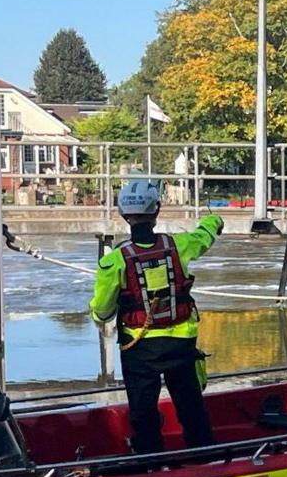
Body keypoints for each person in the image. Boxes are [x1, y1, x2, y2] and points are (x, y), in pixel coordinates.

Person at [91, 179, 225, 454]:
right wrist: (214, 220)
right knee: (190, 404)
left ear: (123, 213)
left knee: (143, 409)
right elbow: (204, 237)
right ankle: (203, 455)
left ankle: (149, 461)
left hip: (139, 348)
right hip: (181, 343)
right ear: (157, 210)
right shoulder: (180, 245)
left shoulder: (114, 261)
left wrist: (98, 312)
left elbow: (103, 311)